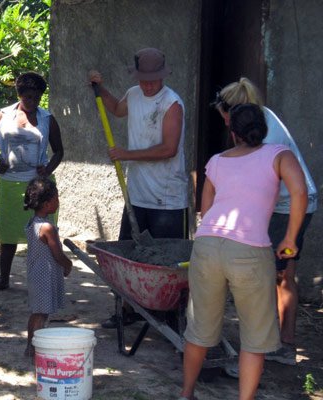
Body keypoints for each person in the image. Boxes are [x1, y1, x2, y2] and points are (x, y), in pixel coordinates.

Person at [179, 104, 307, 400]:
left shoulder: (217, 161)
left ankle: (186, 394)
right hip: (250, 250)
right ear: (263, 128)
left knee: (199, 330)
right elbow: (299, 191)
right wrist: (290, 238)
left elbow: (206, 209)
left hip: (208, 245)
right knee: (254, 337)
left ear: (232, 132)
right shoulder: (279, 154)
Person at [213, 77, 318, 365]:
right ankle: (276, 341)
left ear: (232, 115)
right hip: (289, 203)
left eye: (224, 117)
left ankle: (280, 344)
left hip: (290, 206)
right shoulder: (260, 118)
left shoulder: (264, 140)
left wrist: (287, 234)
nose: (224, 123)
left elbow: (263, 188)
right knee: (276, 273)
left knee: (278, 274)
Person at [89, 47, 189, 328]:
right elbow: (117, 110)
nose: (148, 85)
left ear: (162, 76)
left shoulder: (172, 104)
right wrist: (100, 89)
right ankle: (129, 311)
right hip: (137, 193)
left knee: (167, 264)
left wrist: (126, 154)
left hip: (167, 198)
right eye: (144, 79)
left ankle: (170, 318)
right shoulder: (133, 94)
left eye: (153, 80)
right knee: (131, 257)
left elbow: (169, 148)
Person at [0, 72, 65, 291]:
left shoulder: (47, 119)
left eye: (37, 98)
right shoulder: (3, 116)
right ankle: (4, 278)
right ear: (19, 95)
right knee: (8, 234)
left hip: (39, 186)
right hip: (10, 183)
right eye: (28, 97)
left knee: (43, 233)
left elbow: (59, 151)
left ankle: (46, 279)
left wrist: (48, 169)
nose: (33, 102)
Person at [23, 177, 72, 357]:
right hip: (43, 277)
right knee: (40, 314)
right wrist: (68, 264)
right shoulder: (46, 228)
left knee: (38, 313)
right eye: (56, 199)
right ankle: (33, 348)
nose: (58, 202)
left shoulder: (33, 222)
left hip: (37, 273)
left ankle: (31, 347)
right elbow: (57, 253)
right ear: (46, 204)